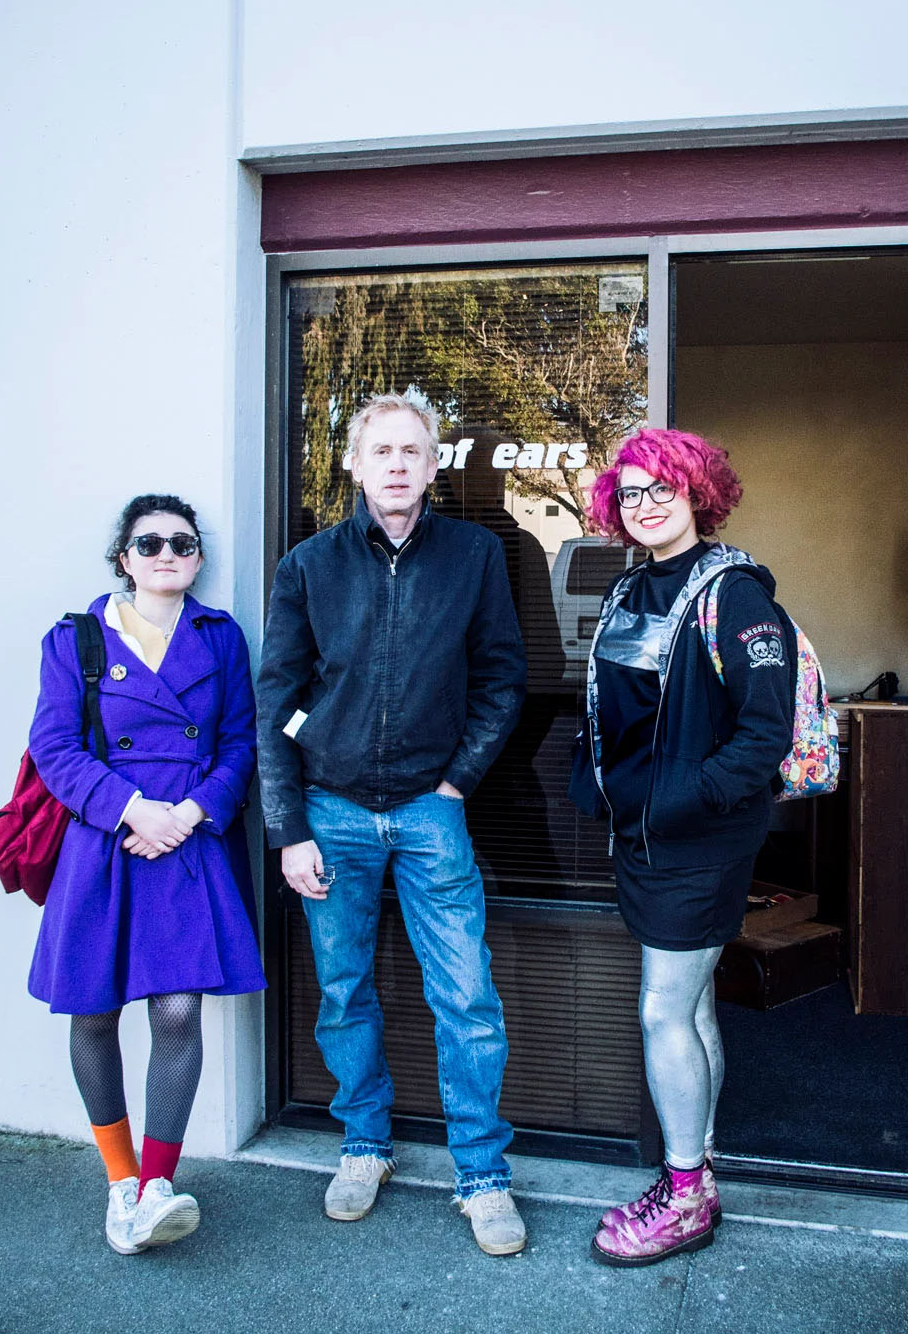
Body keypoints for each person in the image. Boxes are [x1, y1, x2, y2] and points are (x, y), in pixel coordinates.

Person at [256, 393, 528, 1255]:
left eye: (413, 450)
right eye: (382, 451)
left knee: (467, 996)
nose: (399, 464)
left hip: (429, 811)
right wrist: (289, 827)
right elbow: (275, 701)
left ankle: (481, 1173)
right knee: (344, 990)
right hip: (330, 810)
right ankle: (364, 1144)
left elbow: (503, 680)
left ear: (434, 463)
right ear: (356, 463)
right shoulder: (309, 565)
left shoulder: (475, 555)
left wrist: (455, 784)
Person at [569, 428, 795, 1267]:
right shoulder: (631, 586)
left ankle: (686, 1192)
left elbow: (764, 735)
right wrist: (601, 784)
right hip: (644, 836)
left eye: (662, 486)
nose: (645, 504)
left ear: (699, 491)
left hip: (699, 841)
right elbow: (614, 705)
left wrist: (679, 801)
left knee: (663, 1008)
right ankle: (697, 1157)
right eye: (629, 492)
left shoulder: (735, 595)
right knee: (691, 1004)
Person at [27, 494, 266, 1255]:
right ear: (124, 558)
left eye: (183, 543)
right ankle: (120, 1182)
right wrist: (133, 810)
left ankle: (159, 1184)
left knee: (177, 1013)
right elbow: (55, 748)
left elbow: (240, 742)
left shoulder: (218, 636)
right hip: (106, 841)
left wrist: (188, 814)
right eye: (150, 542)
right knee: (94, 1013)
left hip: (188, 841)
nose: (168, 554)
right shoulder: (76, 638)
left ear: (197, 559)